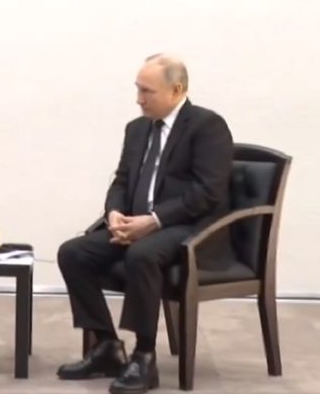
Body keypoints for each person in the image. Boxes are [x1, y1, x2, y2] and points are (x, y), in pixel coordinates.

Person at [56, 54, 234, 394]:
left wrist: (154, 221)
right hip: (137, 226)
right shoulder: (137, 129)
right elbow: (121, 180)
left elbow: (207, 193)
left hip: (188, 228)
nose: (139, 99)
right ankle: (106, 346)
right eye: (137, 89)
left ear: (176, 90)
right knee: (73, 253)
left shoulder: (207, 126)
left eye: (147, 91)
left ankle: (144, 357)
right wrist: (114, 213)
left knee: (142, 254)